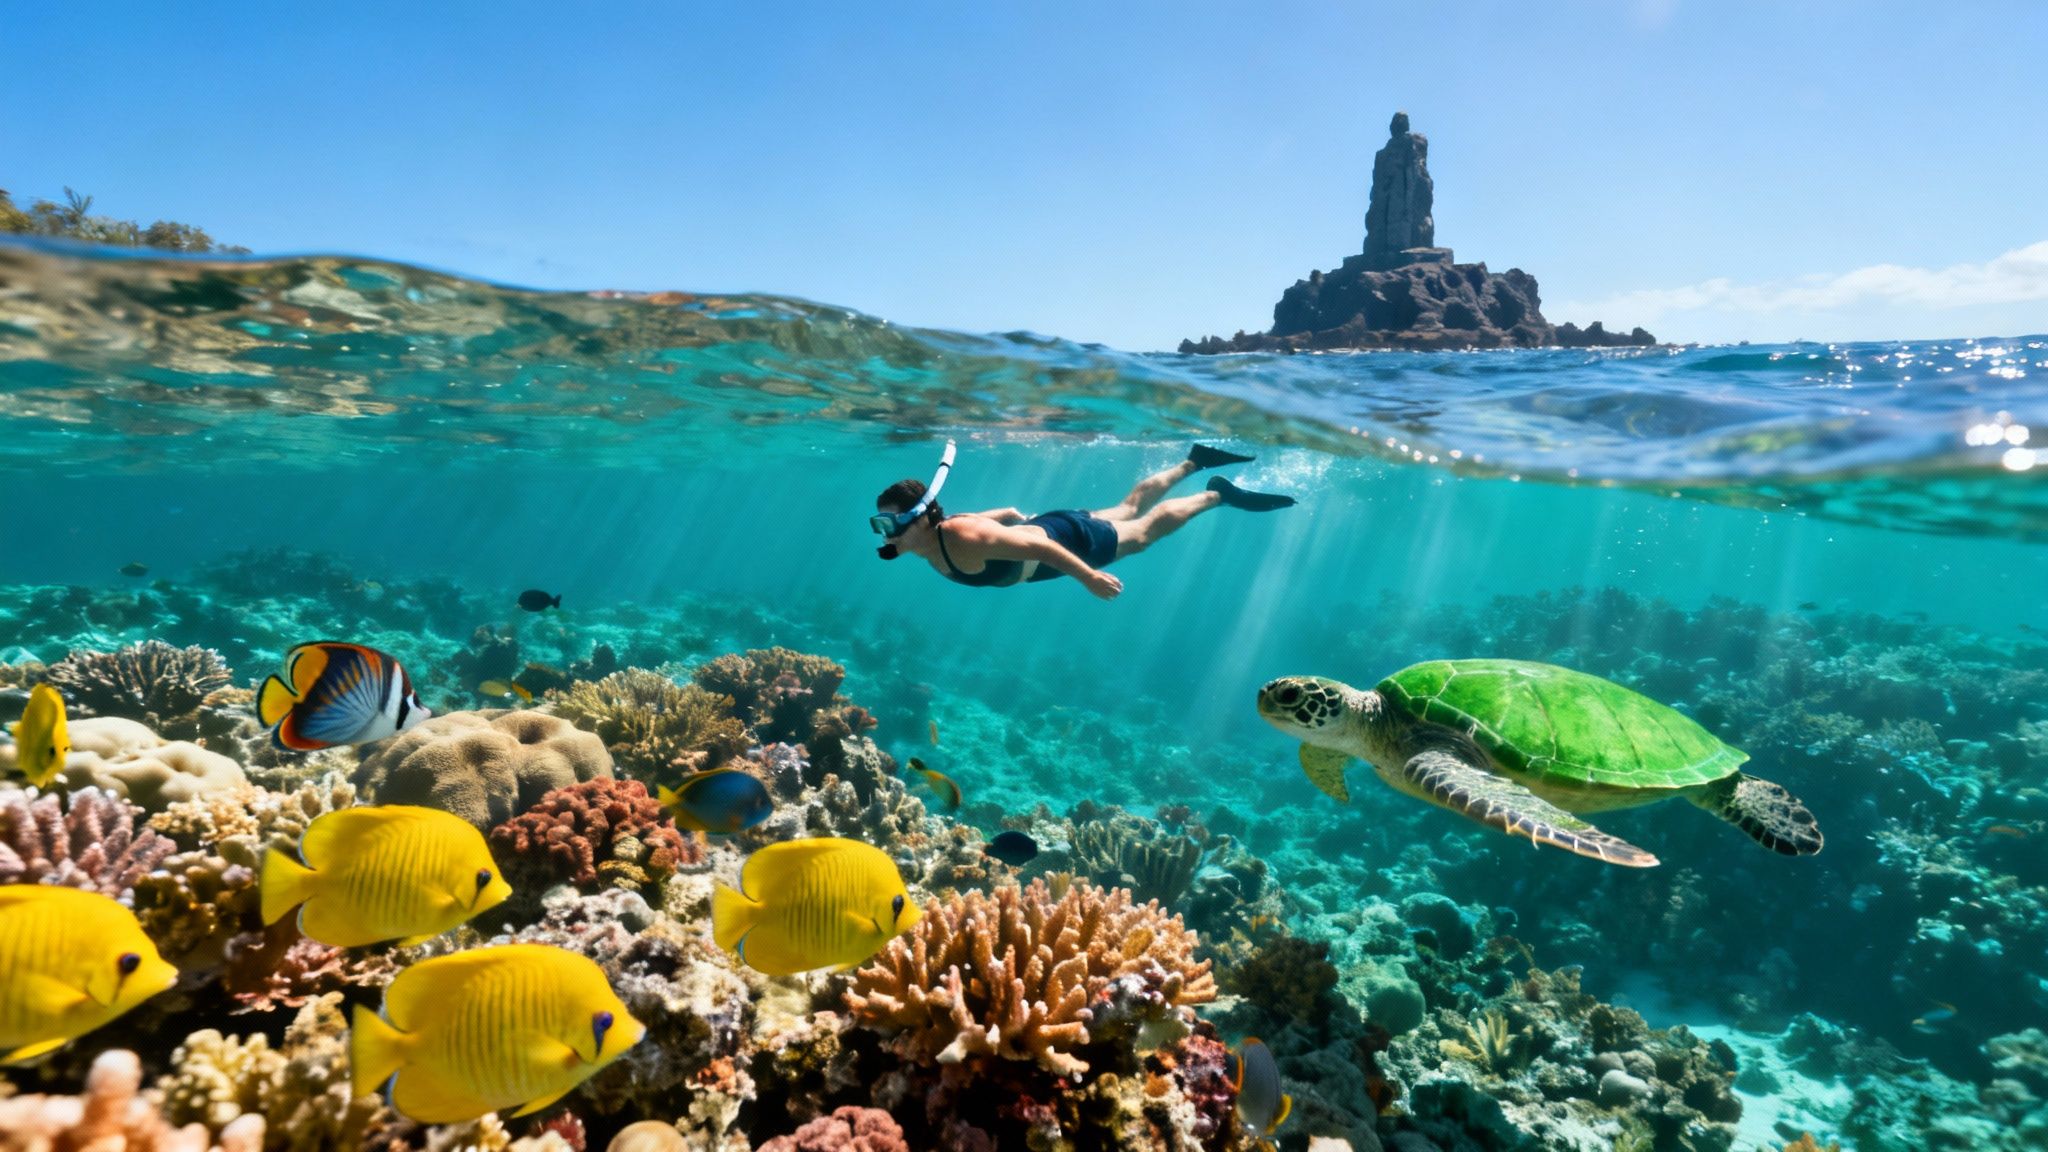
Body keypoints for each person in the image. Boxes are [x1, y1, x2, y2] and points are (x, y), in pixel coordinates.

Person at [870, 443, 1294, 600]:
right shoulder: (942, 536)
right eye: (880, 526)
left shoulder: (961, 537)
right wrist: (1012, 516)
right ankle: (1193, 461)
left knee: (1141, 533)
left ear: (920, 519)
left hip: (1065, 540)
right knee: (1126, 508)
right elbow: (995, 518)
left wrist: (1088, 577)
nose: (885, 535)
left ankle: (1217, 494)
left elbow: (1040, 548)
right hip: (1054, 524)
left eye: (889, 525)